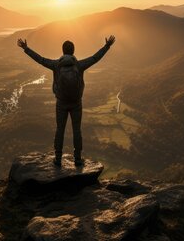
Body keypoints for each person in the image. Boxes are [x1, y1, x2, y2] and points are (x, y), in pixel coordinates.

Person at [17, 35, 115, 167]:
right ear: (73, 51)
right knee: (77, 131)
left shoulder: (56, 65)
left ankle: (57, 158)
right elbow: (95, 58)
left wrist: (26, 48)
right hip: (76, 103)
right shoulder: (79, 65)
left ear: (63, 51)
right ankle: (78, 159)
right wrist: (107, 46)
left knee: (60, 130)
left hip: (61, 103)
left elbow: (40, 59)